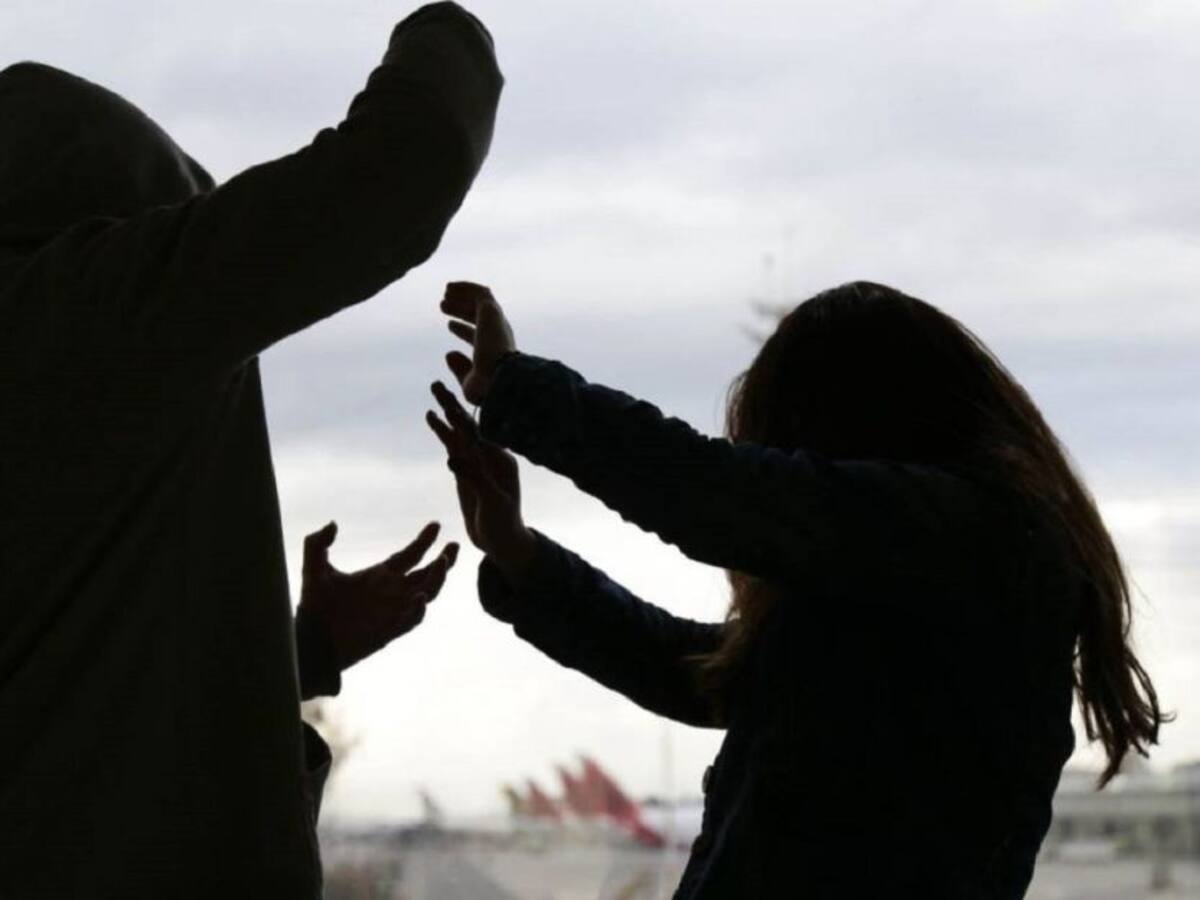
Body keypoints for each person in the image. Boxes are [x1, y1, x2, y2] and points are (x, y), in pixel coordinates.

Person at [426, 280, 1169, 898]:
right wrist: (519, 554)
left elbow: (717, 496)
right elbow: (710, 672)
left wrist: (520, 390)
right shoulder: (944, 563)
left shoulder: (970, 537)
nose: (782, 468)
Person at [0, 3, 500, 896]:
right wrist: (450, 25)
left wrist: (300, 650)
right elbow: (410, 158)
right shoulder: (95, 314)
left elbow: (63, 676)